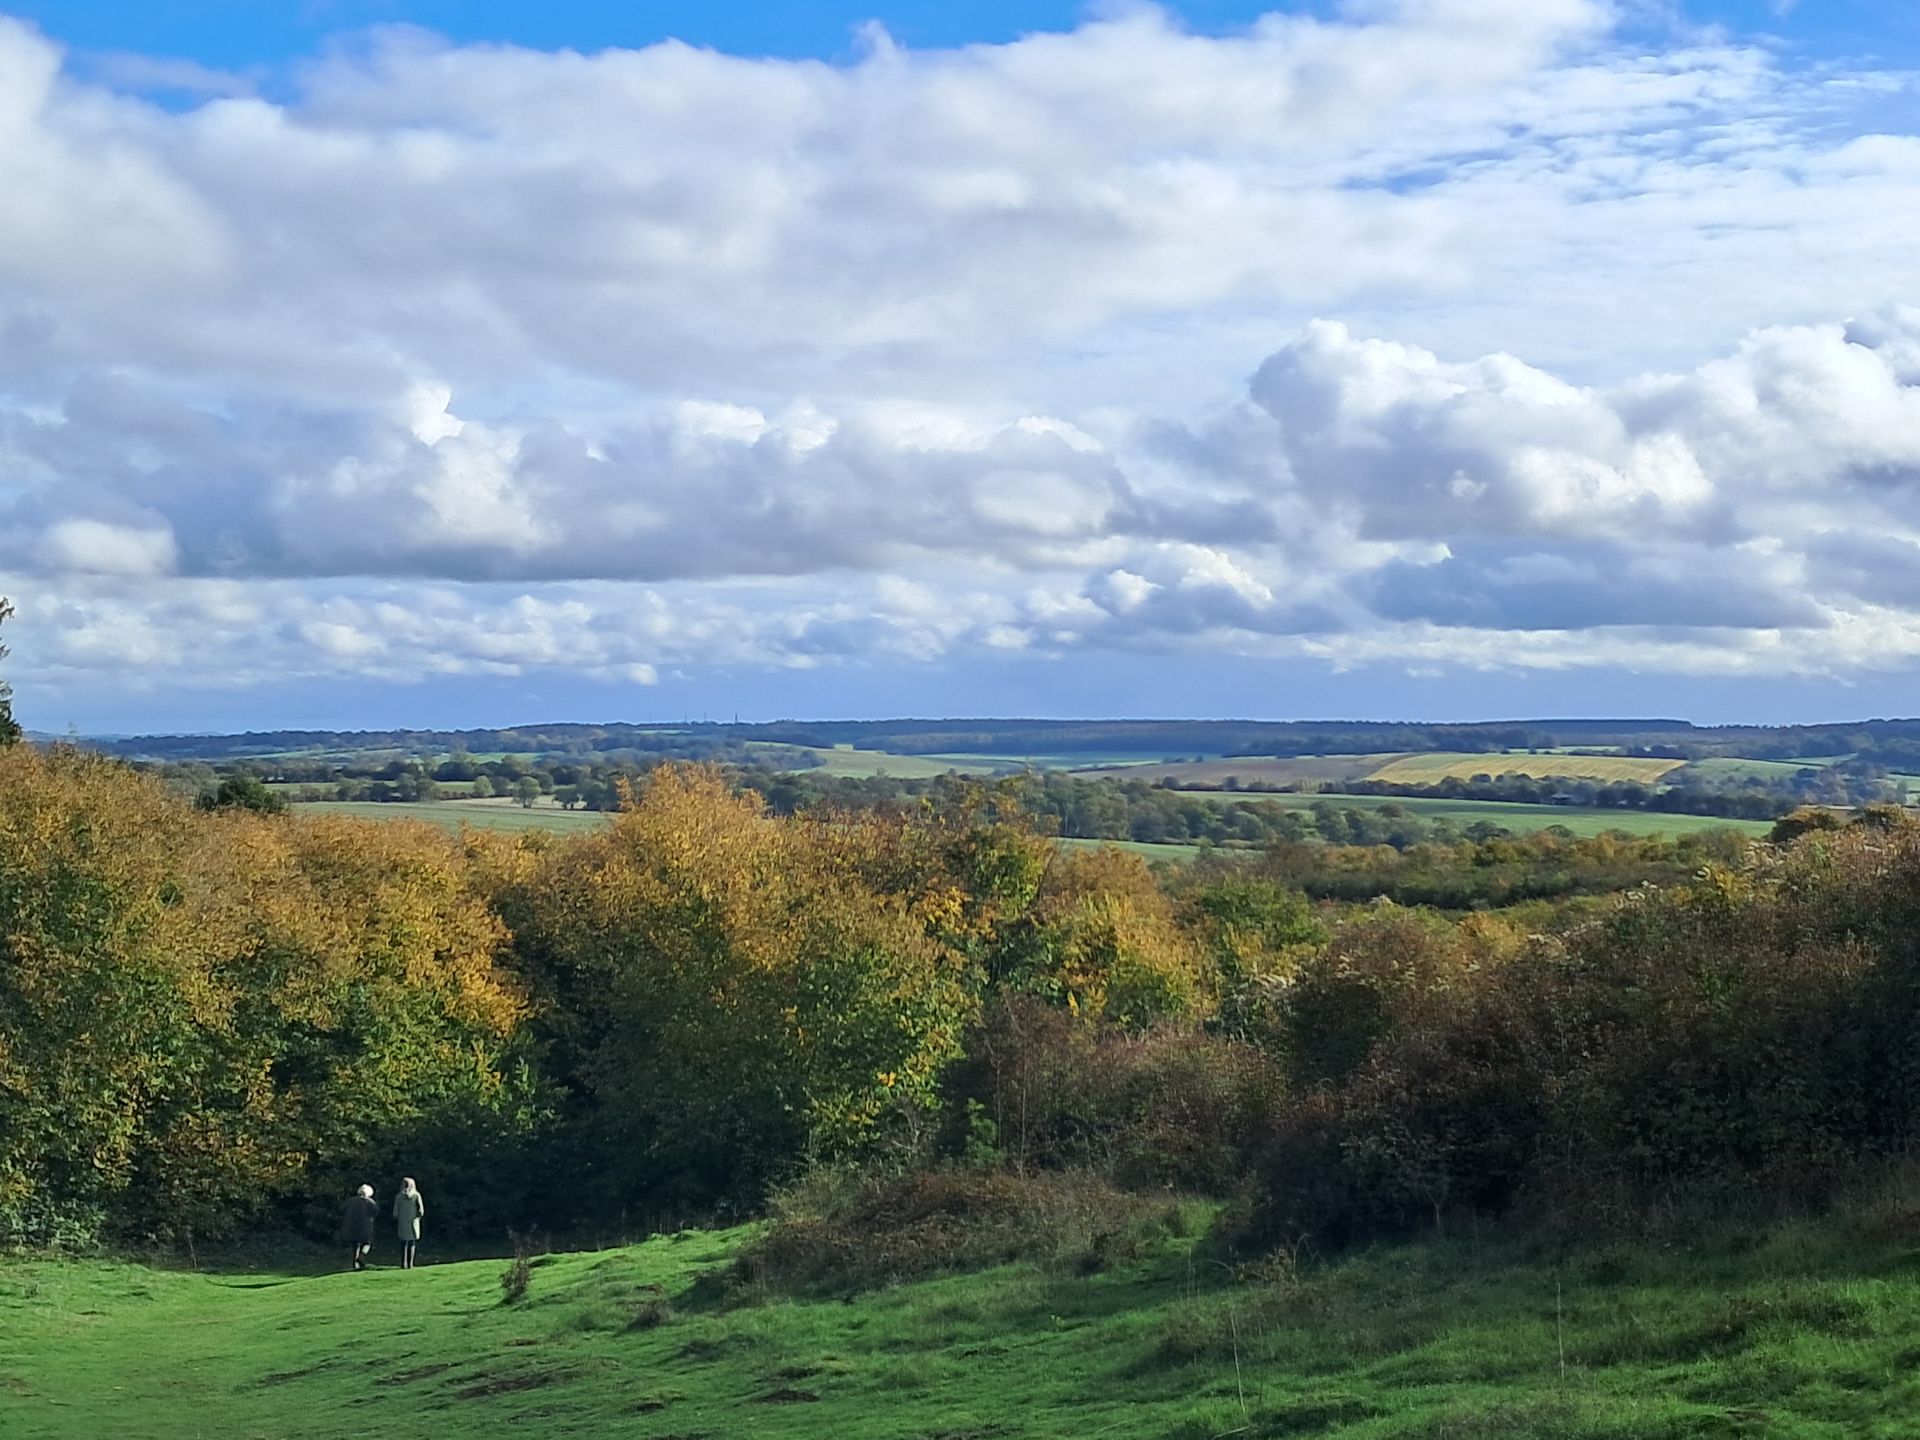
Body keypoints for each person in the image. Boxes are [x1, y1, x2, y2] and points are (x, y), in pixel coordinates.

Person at [341, 1183, 377, 1271]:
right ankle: (362, 1256)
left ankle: (355, 1263)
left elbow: (342, 1208)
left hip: (352, 1226)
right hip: (365, 1227)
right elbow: (375, 1211)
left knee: (355, 1244)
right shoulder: (370, 1202)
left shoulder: (351, 1200)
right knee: (367, 1243)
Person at [393, 1176, 426, 1270]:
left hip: (403, 1222)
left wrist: (398, 1218)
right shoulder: (416, 1195)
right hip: (413, 1222)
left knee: (403, 1243)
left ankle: (403, 1263)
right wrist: (418, 1217)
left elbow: (395, 1212)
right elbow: (421, 1210)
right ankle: (410, 1263)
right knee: (412, 1243)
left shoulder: (399, 1197)